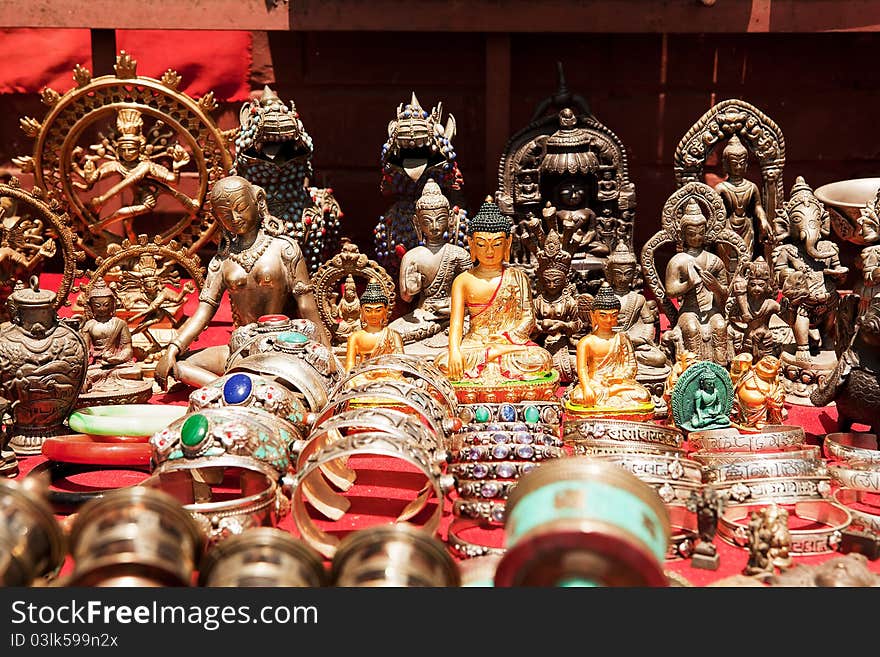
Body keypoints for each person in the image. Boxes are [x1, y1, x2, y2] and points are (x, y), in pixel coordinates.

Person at [155, 176, 327, 389]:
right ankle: (247, 389)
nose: (235, 218)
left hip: (282, 346)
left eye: (241, 208)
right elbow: (203, 313)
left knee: (284, 370)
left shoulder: (285, 249)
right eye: (226, 215)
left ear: (259, 202)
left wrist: (326, 356)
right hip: (243, 346)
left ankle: (235, 388)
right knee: (179, 365)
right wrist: (173, 348)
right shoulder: (222, 261)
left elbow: (307, 306)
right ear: (218, 219)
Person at [435, 197, 553, 384]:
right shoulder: (463, 280)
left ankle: (494, 356)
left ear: (508, 243)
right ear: (471, 244)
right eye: (481, 244)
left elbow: (529, 318)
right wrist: (455, 351)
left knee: (541, 359)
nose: (489, 251)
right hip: (474, 345)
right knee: (443, 363)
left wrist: (506, 338)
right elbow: (456, 325)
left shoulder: (518, 277)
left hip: (510, 345)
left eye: (497, 244)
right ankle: (491, 357)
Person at [390, 179, 471, 343]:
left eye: (440, 219)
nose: (434, 226)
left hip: (454, 314)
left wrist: (455, 307)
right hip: (423, 315)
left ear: (450, 219)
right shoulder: (412, 257)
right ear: (417, 222)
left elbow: (471, 296)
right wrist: (410, 290)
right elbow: (405, 298)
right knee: (392, 335)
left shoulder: (459, 254)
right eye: (427, 221)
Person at [566, 282, 653, 411]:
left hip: (618, 383)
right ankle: (612, 394)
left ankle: (613, 392)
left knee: (643, 395)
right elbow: (582, 370)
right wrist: (587, 387)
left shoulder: (622, 338)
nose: (608, 320)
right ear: (593, 315)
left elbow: (631, 366)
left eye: (613, 315)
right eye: (603, 315)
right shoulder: (586, 342)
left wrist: (618, 379)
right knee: (578, 397)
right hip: (595, 383)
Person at [664, 199, 730, 365]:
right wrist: (689, 285)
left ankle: (720, 368)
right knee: (692, 329)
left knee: (721, 326)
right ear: (683, 235)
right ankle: (694, 367)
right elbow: (670, 291)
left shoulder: (715, 261)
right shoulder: (678, 261)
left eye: (701, 233)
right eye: (692, 234)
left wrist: (716, 287)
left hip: (711, 309)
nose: (697, 237)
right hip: (689, 309)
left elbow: (725, 292)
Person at [714, 135, 772, 262]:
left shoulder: (751, 187)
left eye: (742, 163)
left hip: (746, 227)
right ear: (726, 165)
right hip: (727, 228)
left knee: (745, 259)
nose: (738, 167)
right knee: (726, 261)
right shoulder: (721, 188)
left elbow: (757, 207)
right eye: (734, 163)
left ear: (746, 164)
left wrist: (763, 220)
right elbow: (715, 212)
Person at [80, 279, 142, 392]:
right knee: (89, 375)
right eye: (98, 306)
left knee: (135, 372)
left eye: (106, 305)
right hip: (98, 365)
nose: (102, 309)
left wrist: (117, 358)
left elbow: (128, 349)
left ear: (112, 304)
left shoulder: (120, 323)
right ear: (91, 306)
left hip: (118, 365)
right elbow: (84, 351)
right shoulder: (89, 325)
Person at [344, 280, 404, 373]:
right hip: (363, 375)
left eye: (378, 310)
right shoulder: (355, 337)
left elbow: (400, 364)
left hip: (387, 375)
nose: (373, 314)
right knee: (352, 383)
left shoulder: (393, 335)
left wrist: (383, 372)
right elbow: (350, 366)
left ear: (385, 310)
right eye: (368, 310)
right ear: (361, 311)